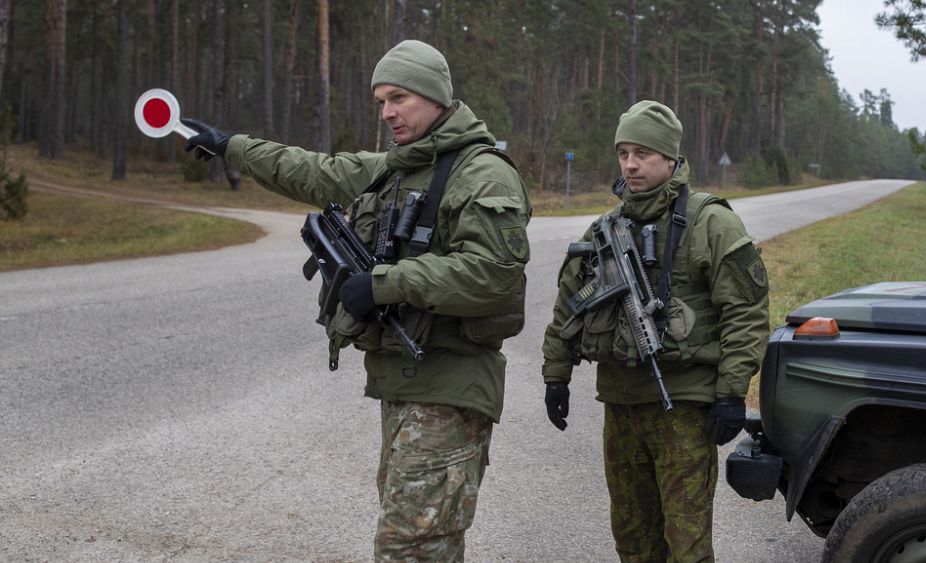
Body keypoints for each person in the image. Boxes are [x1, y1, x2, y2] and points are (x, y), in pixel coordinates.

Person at [183, 40, 531, 561]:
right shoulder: (394, 169)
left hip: (450, 389)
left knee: (410, 547)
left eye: (399, 98)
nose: (388, 112)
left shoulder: (481, 173)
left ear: (436, 98)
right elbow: (310, 170)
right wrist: (231, 146)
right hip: (404, 387)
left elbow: (495, 273)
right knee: (415, 542)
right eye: (380, 102)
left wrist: (383, 283)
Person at [540, 100, 769, 562]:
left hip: (682, 408)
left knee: (686, 546)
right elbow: (569, 306)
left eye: (642, 153)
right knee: (633, 542)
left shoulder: (711, 222)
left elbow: (746, 313)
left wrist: (730, 393)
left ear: (670, 158)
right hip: (621, 407)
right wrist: (555, 375)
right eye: (623, 152)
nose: (630, 164)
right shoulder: (604, 229)